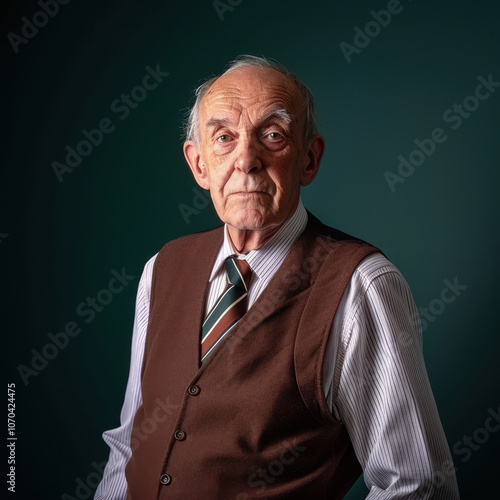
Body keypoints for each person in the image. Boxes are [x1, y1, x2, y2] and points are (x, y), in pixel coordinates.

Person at [95, 55, 460, 499]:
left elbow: (419, 485)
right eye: (224, 138)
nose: (247, 160)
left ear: (309, 159)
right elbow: (129, 446)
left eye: (272, 135)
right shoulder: (161, 270)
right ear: (199, 165)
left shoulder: (361, 285)